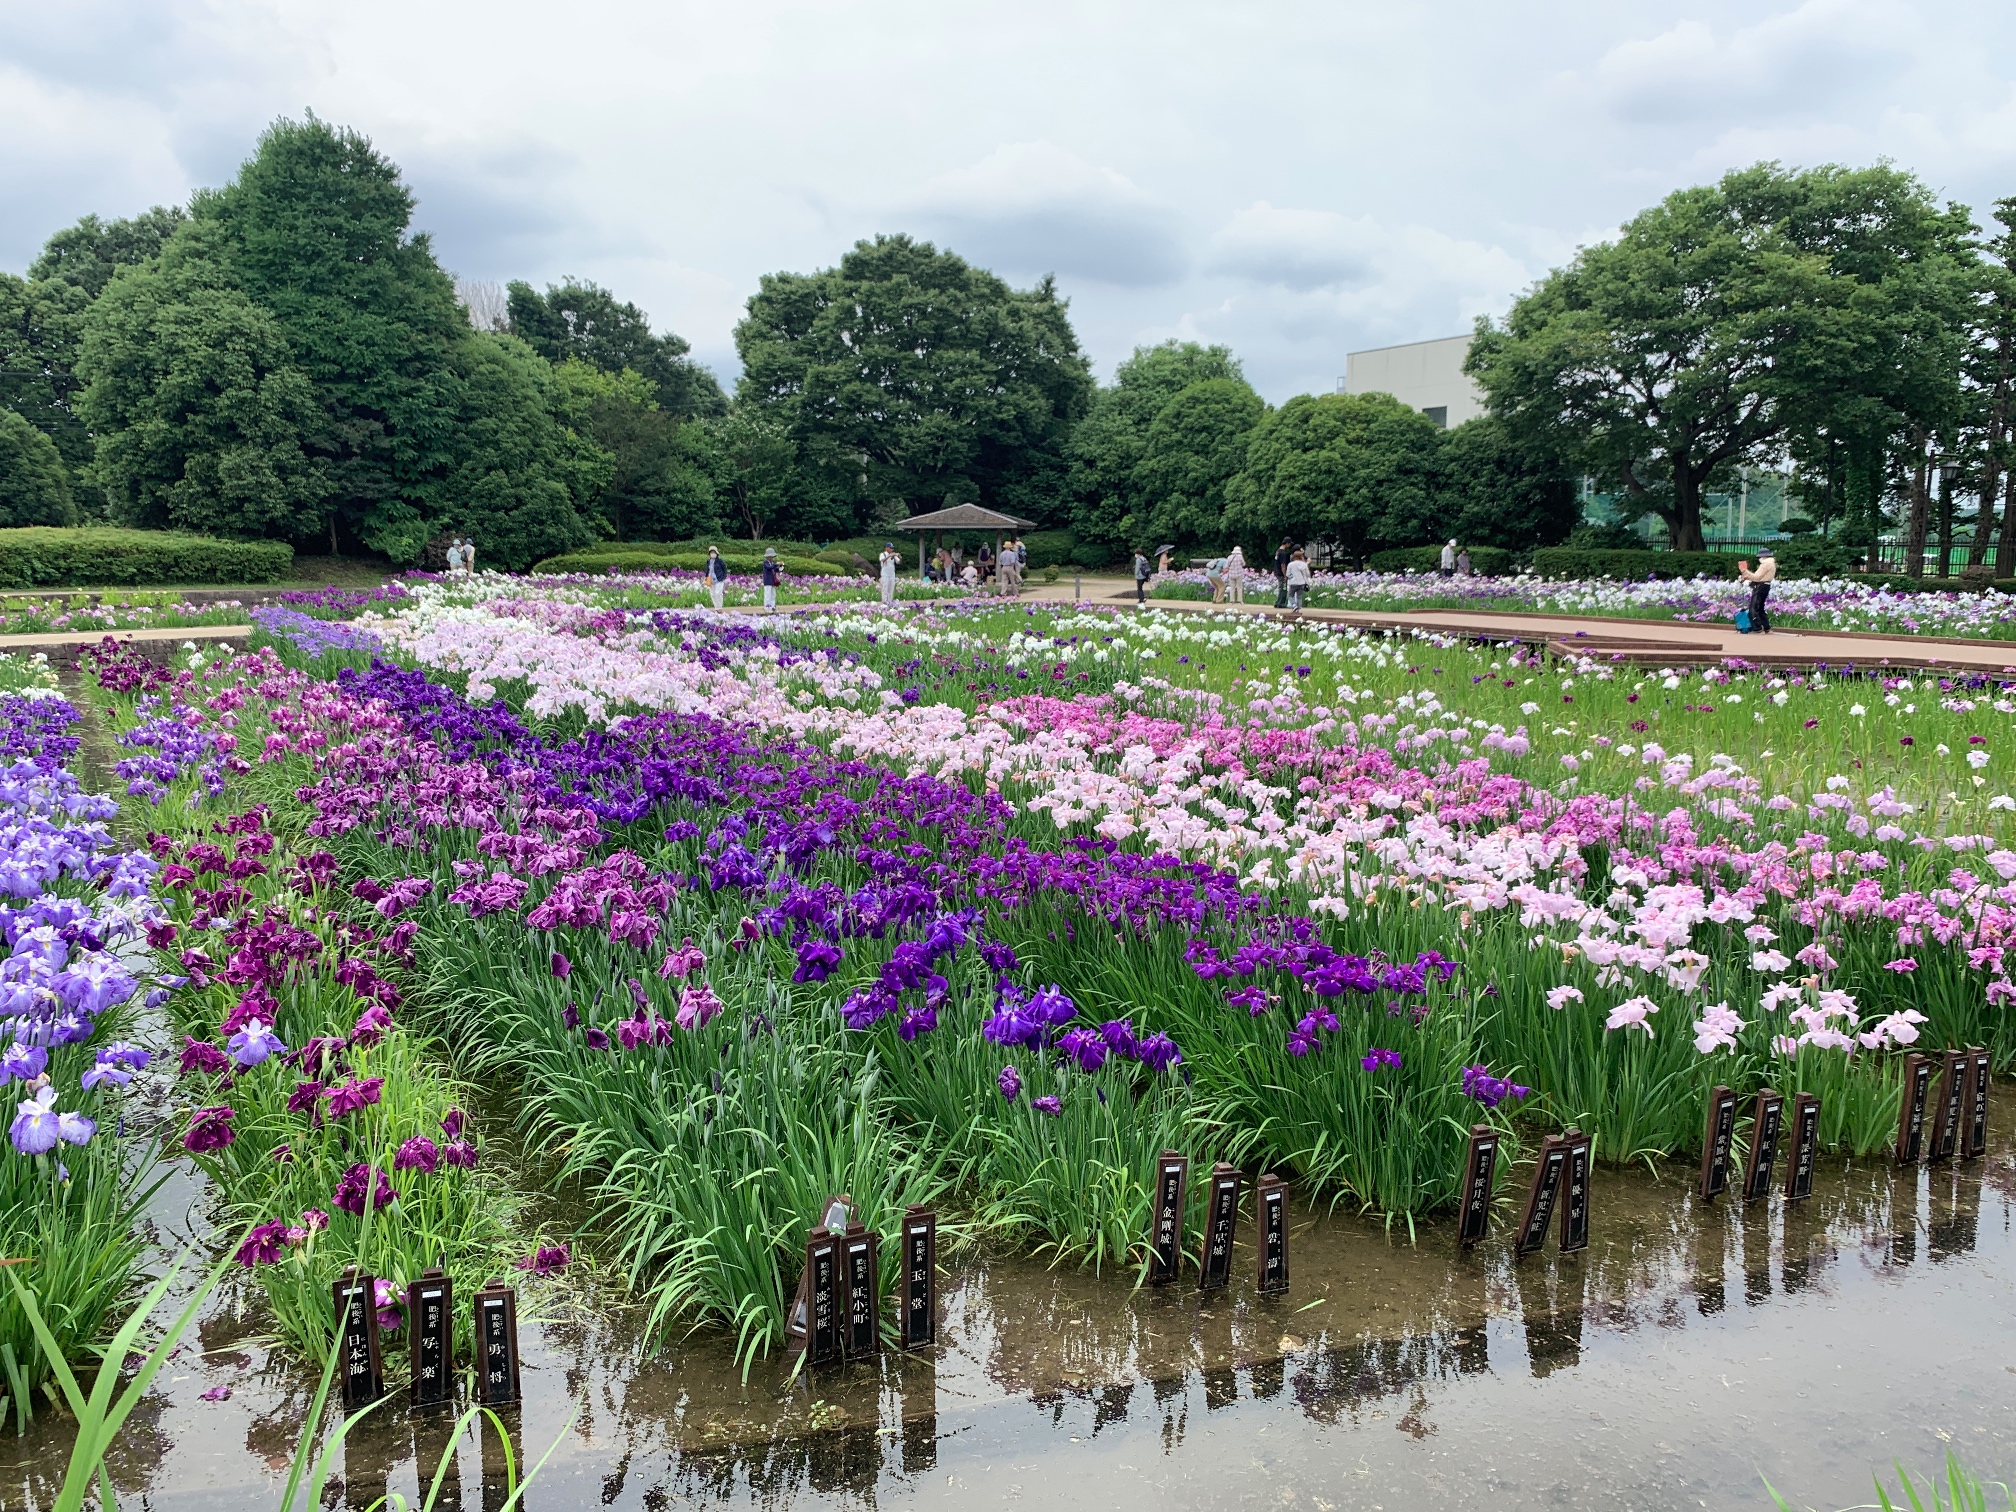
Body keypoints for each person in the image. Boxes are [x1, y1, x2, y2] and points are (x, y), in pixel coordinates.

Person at [1737, 547, 1776, 633]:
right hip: (1766, 585)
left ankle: (1757, 628)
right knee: (1761, 607)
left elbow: (1757, 577)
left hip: (1760, 586)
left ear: (1764, 557)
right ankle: (1766, 627)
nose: (1759, 559)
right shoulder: (1772, 563)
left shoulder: (1766, 564)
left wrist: (1744, 571)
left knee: (1754, 607)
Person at [706, 545, 729, 610]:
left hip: (719, 578)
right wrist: (706, 578)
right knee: (712, 594)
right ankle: (716, 608)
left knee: (718, 593)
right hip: (710, 579)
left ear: (716, 553)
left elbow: (724, 569)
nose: (713, 554)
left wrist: (724, 577)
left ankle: (719, 607)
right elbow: (707, 570)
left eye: (714, 552)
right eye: (711, 552)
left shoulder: (720, 561)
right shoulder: (708, 561)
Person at [760, 547, 782, 611]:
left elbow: (775, 569)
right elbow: (769, 568)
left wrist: (780, 567)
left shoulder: (772, 563)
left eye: (772, 557)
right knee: (767, 595)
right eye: (770, 556)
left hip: (773, 581)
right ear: (767, 557)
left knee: (773, 595)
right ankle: (767, 607)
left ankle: (773, 607)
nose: (771, 558)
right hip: (767, 581)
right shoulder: (765, 563)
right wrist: (776, 564)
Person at [1274, 538, 1293, 608]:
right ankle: (1281, 603)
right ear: (1287, 543)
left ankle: (1277, 602)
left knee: (1280, 587)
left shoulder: (1278, 551)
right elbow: (1283, 565)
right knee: (1283, 588)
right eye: (1289, 543)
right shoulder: (1283, 553)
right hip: (1281, 573)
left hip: (1277, 571)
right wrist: (1285, 575)